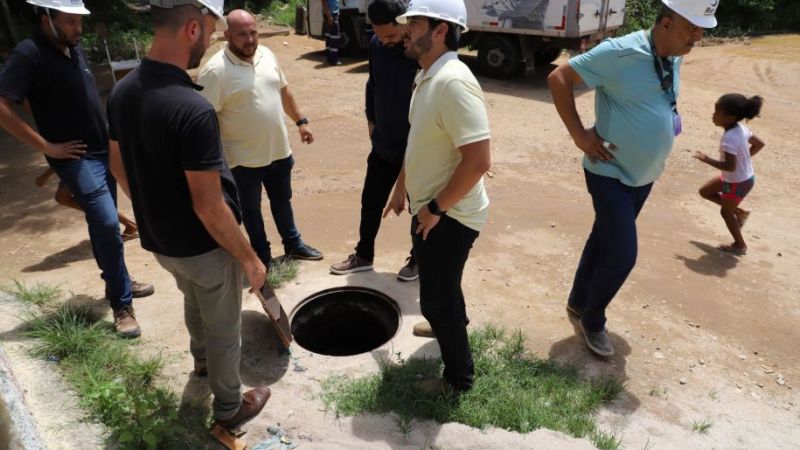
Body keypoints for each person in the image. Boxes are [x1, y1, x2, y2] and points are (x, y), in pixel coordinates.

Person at [107, 0, 270, 430]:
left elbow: (116, 161)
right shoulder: (191, 108)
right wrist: (249, 258)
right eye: (213, 29)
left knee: (193, 301)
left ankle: (201, 365)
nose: (214, 37)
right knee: (224, 327)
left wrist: (145, 205)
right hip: (204, 246)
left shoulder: (124, 90)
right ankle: (230, 407)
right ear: (193, 29)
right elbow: (209, 206)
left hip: (161, 242)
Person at [547, 0, 718, 357]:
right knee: (622, 255)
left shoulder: (674, 54)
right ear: (668, 23)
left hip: (643, 176)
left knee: (603, 237)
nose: (698, 37)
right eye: (693, 28)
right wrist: (580, 135)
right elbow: (559, 78)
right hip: (609, 170)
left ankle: (579, 302)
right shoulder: (620, 52)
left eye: (702, 30)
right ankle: (592, 321)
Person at [0, 0, 154, 338]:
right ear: (46, 19)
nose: (78, 29)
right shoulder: (28, 53)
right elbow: (3, 104)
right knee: (107, 220)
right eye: (69, 22)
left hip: (102, 151)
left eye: (78, 21)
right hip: (76, 157)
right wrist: (46, 146)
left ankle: (119, 283)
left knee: (102, 225)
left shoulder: (72, 48)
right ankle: (121, 305)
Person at [385, 0, 492, 394]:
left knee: (437, 297)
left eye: (414, 22)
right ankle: (447, 320)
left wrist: (433, 208)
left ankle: (458, 380)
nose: (406, 29)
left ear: (441, 29)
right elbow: (419, 141)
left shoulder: (453, 82)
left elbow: (479, 160)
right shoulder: (428, 75)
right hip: (430, 208)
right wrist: (402, 189)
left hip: (450, 214)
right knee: (441, 284)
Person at [198, 9, 323, 268]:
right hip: (241, 161)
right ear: (227, 35)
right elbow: (204, 122)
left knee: (282, 201)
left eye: (253, 32)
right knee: (250, 212)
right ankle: (261, 256)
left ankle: (293, 244)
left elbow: (283, 90)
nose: (251, 39)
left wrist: (301, 122)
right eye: (242, 34)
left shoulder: (267, 55)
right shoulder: (215, 71)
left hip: (278, 151)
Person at [330, 0, 419, 282]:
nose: (384, 41)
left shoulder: (419, 55)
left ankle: (418, 260)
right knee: (370, 200)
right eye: (379, 36)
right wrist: (370, 119)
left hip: (416, 147)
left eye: (390, 36)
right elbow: (373, 84)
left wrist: (402, 187)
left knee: (419, 207)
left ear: (405, 24)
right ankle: (364, 256)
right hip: (384, 142)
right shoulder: (377, 46)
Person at [694, 94, 765, 256]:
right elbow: (760, 144)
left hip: (737, 181)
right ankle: (739, 211)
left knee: (726, 213)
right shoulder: (740, 128)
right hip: (739, 177)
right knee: (705, 192)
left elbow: (730, 166)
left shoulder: (729, 139)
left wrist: (707, 159)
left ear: (730, 118)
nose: (713, 115)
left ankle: (740, 245)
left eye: (717, 112)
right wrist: (744, 158)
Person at [35, 167, 139, 239]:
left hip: (78, 165)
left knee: (89, 201)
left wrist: (45, 175)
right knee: (63, 197)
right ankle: (128, 224)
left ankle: (127, 224)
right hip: (73, 165)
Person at [321, 0, 342, 65]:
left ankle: (329, 58)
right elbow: (324, 3)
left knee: (329, 36)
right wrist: (329, 16)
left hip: (333, 14)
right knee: (334, 37)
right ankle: (333, 60)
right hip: (331, 15)